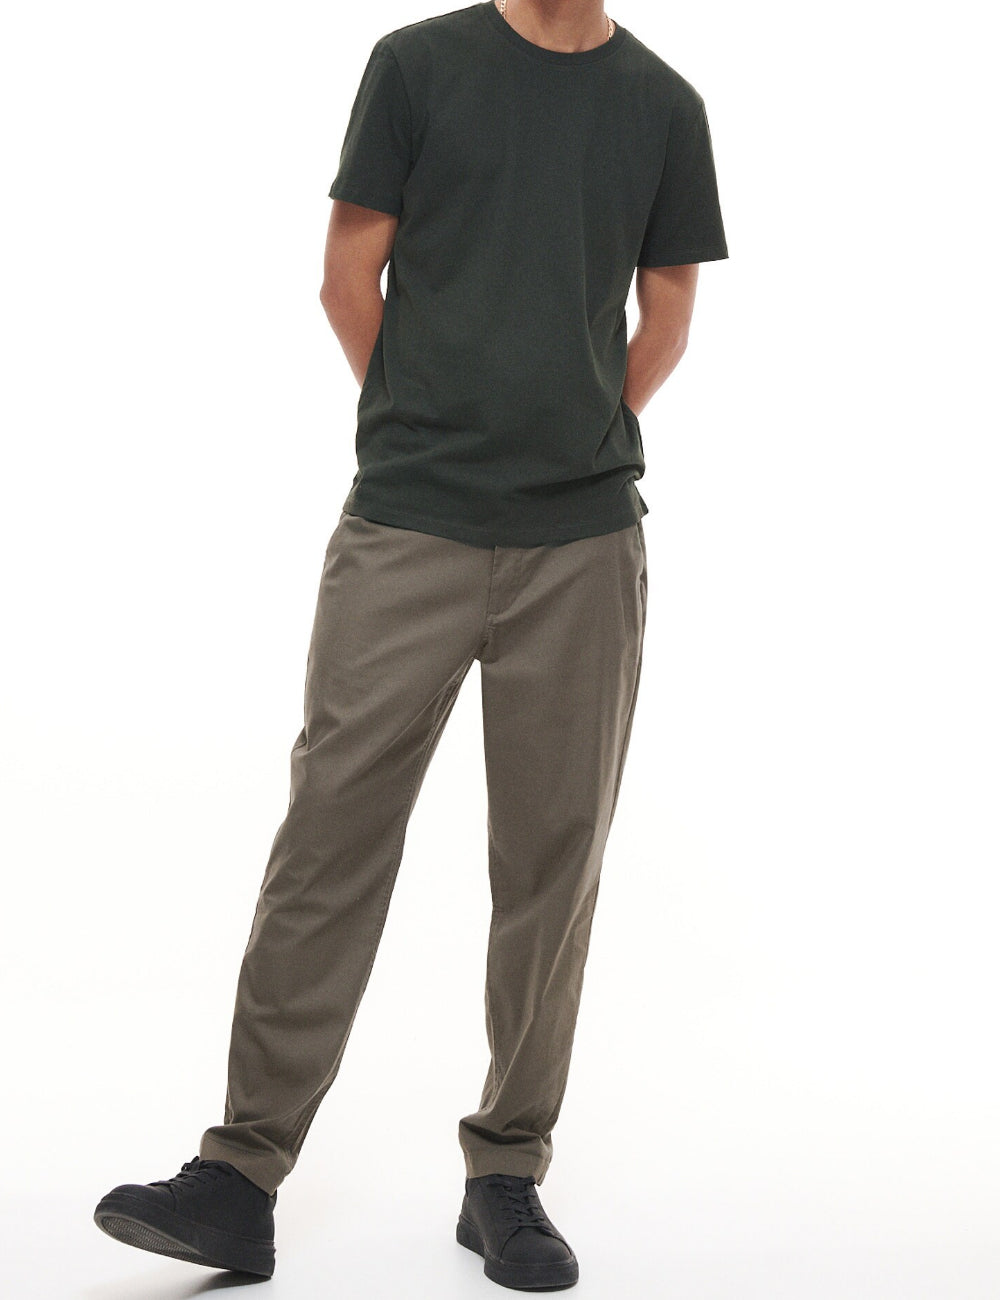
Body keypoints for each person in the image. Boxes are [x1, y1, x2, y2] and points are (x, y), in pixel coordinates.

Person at [93, 0, 728, 1290]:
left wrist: (570, 434)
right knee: (330, 831)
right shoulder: (417, 67)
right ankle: (239, 1177)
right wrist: (427, 422)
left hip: (582, 545)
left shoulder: (665, 107)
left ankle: (505, 1175)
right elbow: (348, 277)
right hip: (407, 525)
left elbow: (665, 318)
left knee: (552, 864)